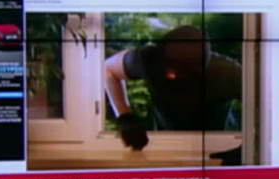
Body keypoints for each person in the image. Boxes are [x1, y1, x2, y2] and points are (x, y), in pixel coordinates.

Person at [104, 25, 243, 159]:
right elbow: (108, 69)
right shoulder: (148, 59)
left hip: (219, 148)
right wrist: (124, 116)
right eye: (165, 65)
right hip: (168, 146)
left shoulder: (226, 72)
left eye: (176, 72)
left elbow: (257, 100)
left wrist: (247, 145)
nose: (168, 75)